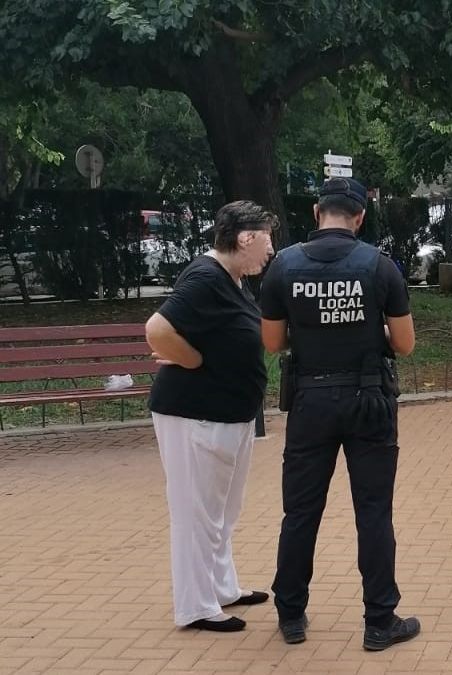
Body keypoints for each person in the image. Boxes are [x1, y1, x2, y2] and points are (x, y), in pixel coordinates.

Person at [259, 177, 419, 651]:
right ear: (360, 217)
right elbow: (405, 345)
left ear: (316, 212)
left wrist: (311, 337)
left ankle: (290, 614)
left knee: (300, 511)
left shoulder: (283, 267)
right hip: (369, 401)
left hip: (310, 401)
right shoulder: (379, 266)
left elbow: (272, 342)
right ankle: (379, 622)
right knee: (373, 512)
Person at [144, 200, 277, 633]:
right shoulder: (204, 277)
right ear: (246, 238)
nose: (271, 249)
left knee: (222, 510)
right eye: (267, 238)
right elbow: (158, 330)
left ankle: (222, 587)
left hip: (227, 416)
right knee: (196, 511)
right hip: (194, 416)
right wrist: (195, 360)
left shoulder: (232, 281)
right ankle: (196, 606)